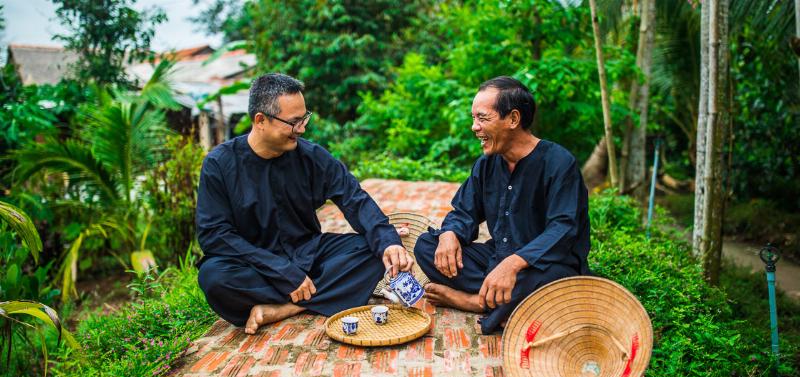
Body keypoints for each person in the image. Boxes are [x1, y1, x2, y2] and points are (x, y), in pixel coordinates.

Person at [196, 73, 412, 334]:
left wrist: (386, 239)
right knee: (214, 278)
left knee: (372, 251)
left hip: (308, 253)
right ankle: (322, 295)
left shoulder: (311, 156)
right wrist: (282, 272)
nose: (302, 128)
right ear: (260, 120)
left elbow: (353, 197)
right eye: (293, 122)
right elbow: (215, 236)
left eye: (304, 118)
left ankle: (287, 308)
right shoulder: (219, 164)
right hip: (255, 265)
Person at [414, 76, 591, 335]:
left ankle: (473, 301)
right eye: (473, 119)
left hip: (541, 266)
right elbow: (464, 211)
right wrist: (450, 233)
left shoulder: (559, 163)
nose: (474, 127)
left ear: (513, 119)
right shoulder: (486, 164)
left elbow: (564, 229)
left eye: (482, 118)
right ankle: (504, 301)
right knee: (427, 246)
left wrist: (514, 264)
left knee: (554, 281)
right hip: (496, 259)